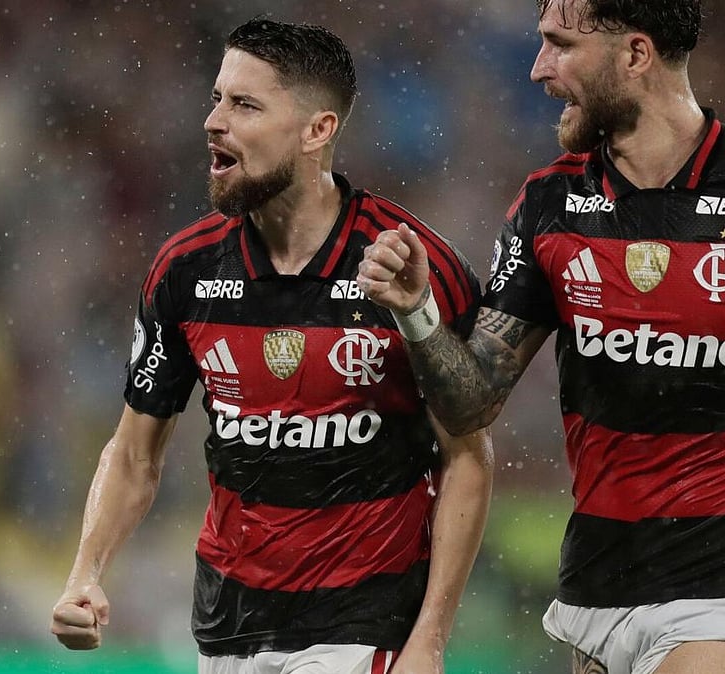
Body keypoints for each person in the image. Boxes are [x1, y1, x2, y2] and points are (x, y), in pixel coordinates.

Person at [357, 1, 725, 672]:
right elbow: (471, 403)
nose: (539, 69)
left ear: (635, 55)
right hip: (598, 590)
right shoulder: (549, 207)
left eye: (559, 45)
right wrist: (418, 313)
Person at [49, 18, 493, 674]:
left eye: (245, 104)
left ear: (318, 131)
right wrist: (85, 572)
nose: (214, 121)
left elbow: (469, 455)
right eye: (217, 98)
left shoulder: (405, 263)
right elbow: (135, 455)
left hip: (361, 626)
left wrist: (429, 639)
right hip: (226, 630)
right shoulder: (186, 269)